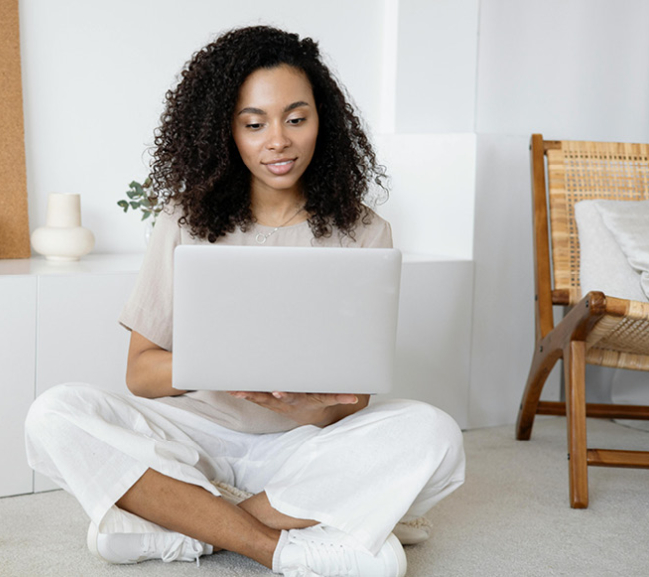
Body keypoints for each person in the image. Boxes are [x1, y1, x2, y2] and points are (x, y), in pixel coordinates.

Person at [25, 26, 465, 577]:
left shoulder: (365, 231)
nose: (277, 140)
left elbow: (356, 400)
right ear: (225, 132)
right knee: (54, 414)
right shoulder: (184, 221)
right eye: (254, 124)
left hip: (299, 447)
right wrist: (219, 367)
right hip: (192, 442)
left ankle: (187, 525)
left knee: (436, 434)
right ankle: (278, 545)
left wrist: (304, 406)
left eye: (296, 119)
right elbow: (140, 375)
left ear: (321, 122)